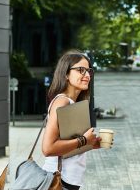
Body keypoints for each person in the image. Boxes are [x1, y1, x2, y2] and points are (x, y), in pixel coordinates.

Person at [42, 50, 101, 190]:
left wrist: (90, 144)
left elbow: (66, 145)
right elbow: (48, 148)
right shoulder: (62, 102)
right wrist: (84, 140)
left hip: (68, 182)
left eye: (88, 71)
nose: (87, 75)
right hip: (59, 181)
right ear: (66, 74)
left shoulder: (72, 103)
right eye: (81, 70)